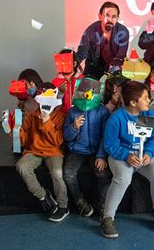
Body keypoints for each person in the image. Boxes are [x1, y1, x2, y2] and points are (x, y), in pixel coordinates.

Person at [101, 81, 154, 237]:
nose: (148, 101)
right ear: (133, 102)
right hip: (121, 156)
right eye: (145, 98)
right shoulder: (116, 118)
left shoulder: (150, 115)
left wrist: (149, 154)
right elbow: (110, 145)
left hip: (143, 156)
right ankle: (107, 217)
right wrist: (126, 155)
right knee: (123, 178)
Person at [15, 83, 69, 222]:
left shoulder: (60, 116)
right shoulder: (32, 116)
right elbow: (25, 140)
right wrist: (16, 133)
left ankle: (63, 206)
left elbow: (58, 141)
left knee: (57, 173)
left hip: (53, 151)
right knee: (22, 166)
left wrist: (47, 123)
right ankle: (44, 197)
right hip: (34, 150)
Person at [63, 77, 111, 218]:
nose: (87, 94)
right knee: (68, 173)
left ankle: (102, 204)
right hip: (77, 150)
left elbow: (105, 136)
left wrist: (101, 155)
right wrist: (74, 127)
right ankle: (80, 201)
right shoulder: (72, 112)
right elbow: (67, 136)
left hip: (96, 151)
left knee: (103, 173)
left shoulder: (102, 112)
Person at [76, 1, 129, 80]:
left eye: (114, 16)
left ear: (118, 18)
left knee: (119, 85)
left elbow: (120, 56)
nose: (110, 20)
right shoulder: (91, 30)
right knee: (86, 87)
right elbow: (82, 52)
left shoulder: (123, 32)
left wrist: (111, 74)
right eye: (106, 16)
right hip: (94, 65)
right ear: (100, 16)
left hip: (116, 64)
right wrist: (73, 65)